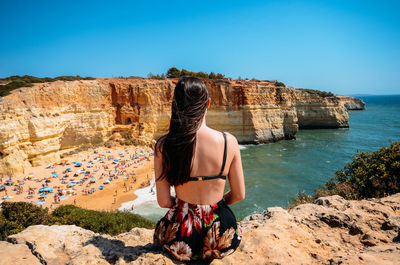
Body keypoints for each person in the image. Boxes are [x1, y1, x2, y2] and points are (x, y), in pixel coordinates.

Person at [153, 76, 245, 262]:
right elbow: (239, 195)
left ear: (176, 104)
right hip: (220, 234)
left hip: (181, 236)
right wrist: (214, 207)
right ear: (208, 103)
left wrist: (186, 208)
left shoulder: (164, 145)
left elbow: (163, 201)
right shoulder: (229, 142)